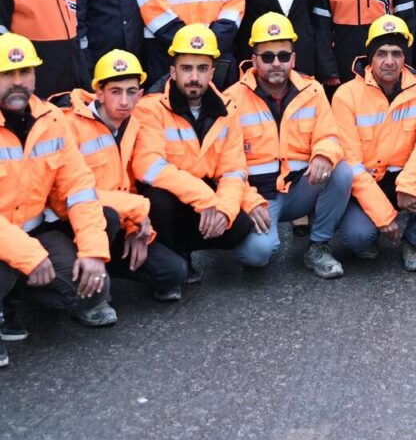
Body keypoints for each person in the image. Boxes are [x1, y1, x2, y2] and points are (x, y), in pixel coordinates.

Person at [0, 31, 115, 365]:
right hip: (12, 241)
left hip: (33, 232)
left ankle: (16, 300)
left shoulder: (51, 120)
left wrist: (93, 251)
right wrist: (30, 256)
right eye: (7, 74)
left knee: (95, 292)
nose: (18, 82)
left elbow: (79, 187)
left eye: (25, 73)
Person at [56, 50, 188, 301]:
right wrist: (135, 210)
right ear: (99, 93)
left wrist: (136, 229)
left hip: (120, 222)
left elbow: (131, 186)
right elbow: (69, 193)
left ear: (140, 94)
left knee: (174, 273)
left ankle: (108, 271)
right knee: (109, 215)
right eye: (115, 92)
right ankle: (93, 286)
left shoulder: (135, 123)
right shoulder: (69, 125)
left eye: (131, 92)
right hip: (75, 225)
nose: (124, 101)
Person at [228, 14, 351, 278]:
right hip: (258, 197)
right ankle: (241, 234)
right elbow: (226, 164)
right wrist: (247, 202)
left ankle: (318, 247)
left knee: (341, 171)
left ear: (293, 59)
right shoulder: (232, 99)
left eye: (283, 56)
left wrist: (324, 155)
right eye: (268, 56)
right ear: (254, 59)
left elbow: (330, 136)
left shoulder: (313, 90)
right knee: (257, 254)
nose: (276, 63)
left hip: (300, 190)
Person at [131, 24, 254, 272]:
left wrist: (224, 209)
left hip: (204, 196)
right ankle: (174, 257)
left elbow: (233, 171)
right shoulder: (150, 108)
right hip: (170, 197)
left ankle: (184, 249)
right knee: (158, 200)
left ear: (212, 73)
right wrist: (205, 198)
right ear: (173, 72)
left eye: (202, 69)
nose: (194, 77)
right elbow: (148, 166)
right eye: (186, 69)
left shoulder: (227, 109)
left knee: (240, 226)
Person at [333, 16, 416, 271]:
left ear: (405, 57)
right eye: (382, 53)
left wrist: (409, 185)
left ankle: (413, 241)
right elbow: (351, 163)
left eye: (397, 53)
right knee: (358, 239)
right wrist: (384, 216)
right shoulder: (346, 95)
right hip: (366, 182)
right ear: (370, 57)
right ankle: (373, 230)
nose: (389, 61)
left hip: (406, 179)